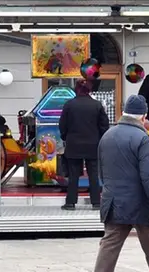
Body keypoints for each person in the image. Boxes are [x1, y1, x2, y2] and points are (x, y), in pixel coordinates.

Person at [94, 94, 149, 272]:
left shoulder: (107, 136)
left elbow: (101, 172)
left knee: (108, 248)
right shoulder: (143, 138)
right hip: (140, 204)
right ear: (144, 116)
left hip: (113, 202)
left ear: (123, 112)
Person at [59, 80, 110, 210]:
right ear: (89, 90)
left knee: (73, 174)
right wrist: (100, 139)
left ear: (76, 89)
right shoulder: (97, 105)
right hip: (93, 144)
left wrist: (65, 137)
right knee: (93, 174)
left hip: (74, 144)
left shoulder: (69, 105)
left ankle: (70, 202)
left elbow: (62, 125)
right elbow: (104, 125)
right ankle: (96, 202)